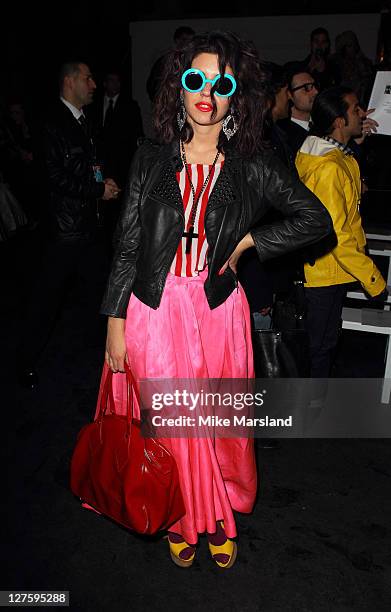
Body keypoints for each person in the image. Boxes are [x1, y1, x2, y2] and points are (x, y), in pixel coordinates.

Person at [98, 31, 331, 568]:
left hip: (218, 309)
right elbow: (129, 243)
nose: (207, 90)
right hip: (153, 310)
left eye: (220, 82)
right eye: (195, 78)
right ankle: (184, 515)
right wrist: (114, 321)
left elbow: (314, 219)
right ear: (179, 90)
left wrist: (251, 242)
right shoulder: (150, 158)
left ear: (234, 97)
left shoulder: (254, 163)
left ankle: (218, 512)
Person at [18, 61, 120, 388]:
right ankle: (24, 365)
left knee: (102, 293)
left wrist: (104, 181)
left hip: (86, 228)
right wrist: (97, 189)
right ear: (69, 82)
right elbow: (54, 177)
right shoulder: (51, 122)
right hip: (63, 233)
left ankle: (109, 360)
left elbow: (86, 164)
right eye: (88, 78)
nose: (94, 84)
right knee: (46, 301)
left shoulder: (81, 120)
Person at [296, 87, 387, 378]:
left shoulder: (334, 158)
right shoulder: (328, 168)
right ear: (338, 121)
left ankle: (313, 413)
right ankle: (309, 418)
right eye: (355, 109)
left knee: (321, 347)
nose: (362, 113)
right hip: (324, 272)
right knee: (318, 351)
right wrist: (372, 278)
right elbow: (337, 234)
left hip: (329, 270)